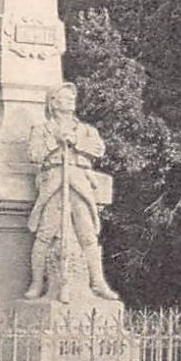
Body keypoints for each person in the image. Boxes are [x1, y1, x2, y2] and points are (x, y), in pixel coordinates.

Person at [24, 82, 119, 301]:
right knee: (45, 232)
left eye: (72, 98)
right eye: (65, 98)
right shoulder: (41, 130)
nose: (70, 102)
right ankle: (37, 283)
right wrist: (55, 142)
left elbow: (99, 149)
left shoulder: (86, 130)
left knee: (87, 233)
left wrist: (76, 141)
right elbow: (34, 154)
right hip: (54, 179)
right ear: (53, 103)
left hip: (79, 179)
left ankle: (98, 281)